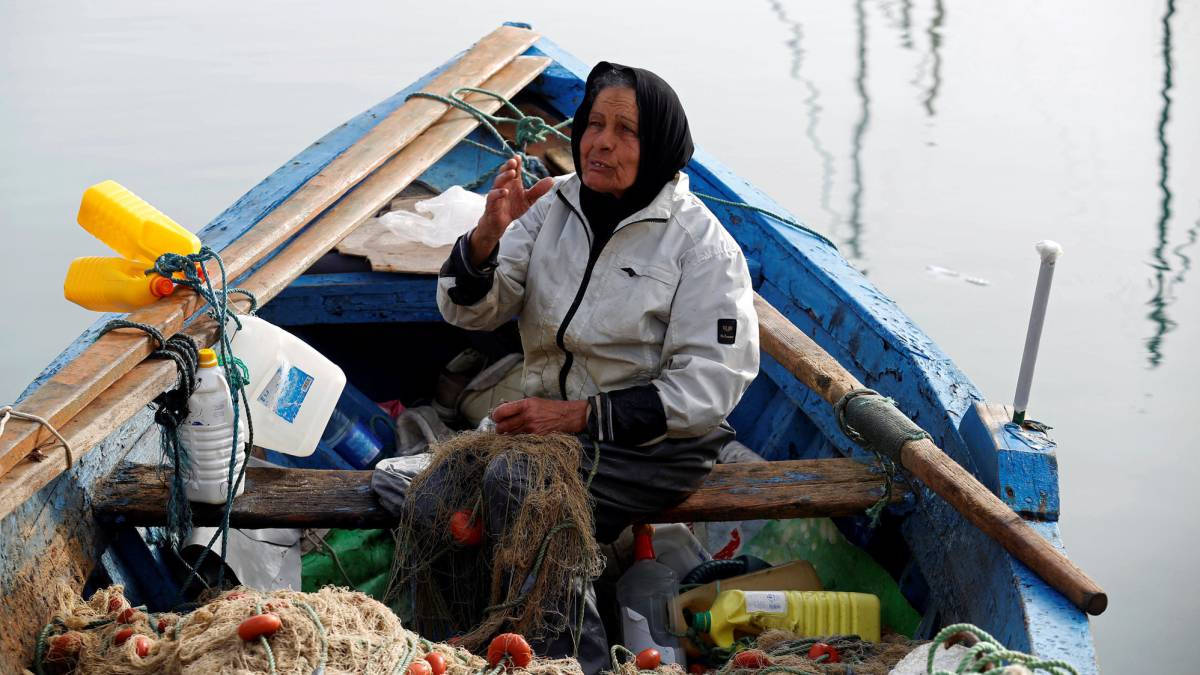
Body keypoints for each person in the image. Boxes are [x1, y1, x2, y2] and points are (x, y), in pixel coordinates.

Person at [429, 62, 760, 671]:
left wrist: (580, 415)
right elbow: (470, 312)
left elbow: (710, 386)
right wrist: (482, 245)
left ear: (657, 144)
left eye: (625, 131)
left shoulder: (702, 247)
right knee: (432, 496)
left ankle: (570, 660)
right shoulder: (553, 207)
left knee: (525, 491)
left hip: (657, 446)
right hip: (548, 431)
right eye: (594, 124)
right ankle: (473, 641)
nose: (601, 142)